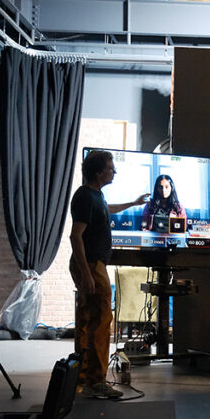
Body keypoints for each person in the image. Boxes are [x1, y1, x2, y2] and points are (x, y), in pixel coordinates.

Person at [69, 150, 149, 398]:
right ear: (99, 172)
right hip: (91, 265)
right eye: (111, 168)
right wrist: (87, 274)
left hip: (93, 266)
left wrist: (133, 204)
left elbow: (106, 209)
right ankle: (97, 381)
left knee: (89, 321)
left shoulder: (95, 196)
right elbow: (75, 236)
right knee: (101, 322)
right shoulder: (85, 196)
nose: (114, 172)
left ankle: (83, 377)